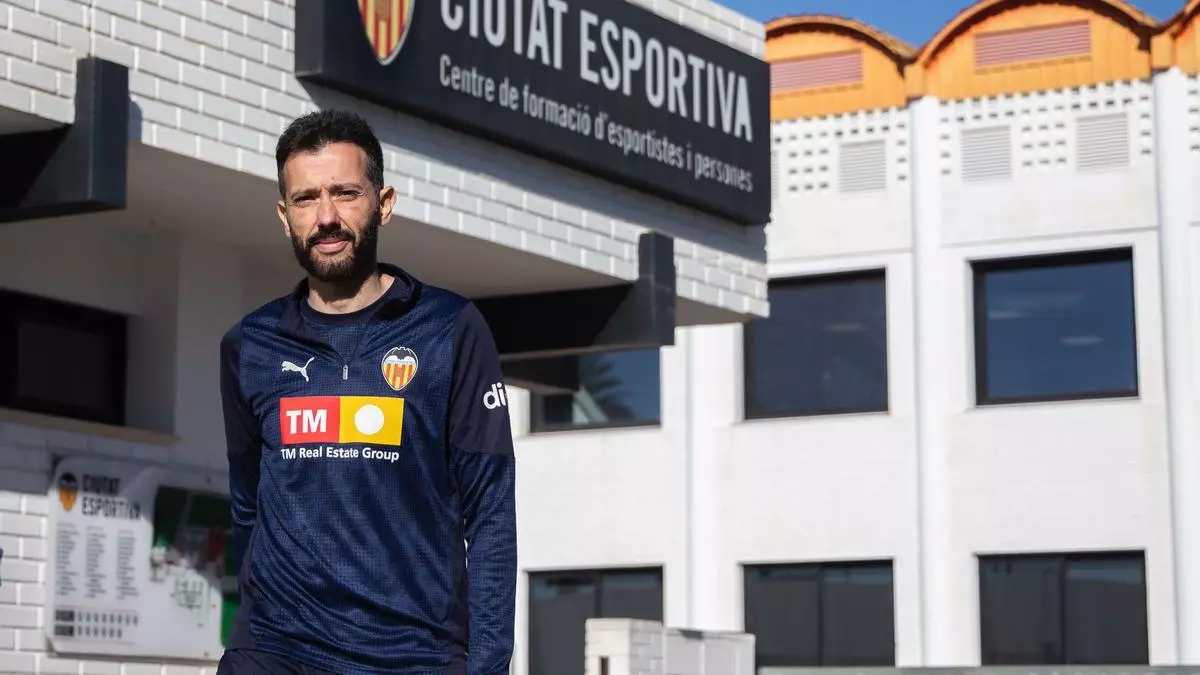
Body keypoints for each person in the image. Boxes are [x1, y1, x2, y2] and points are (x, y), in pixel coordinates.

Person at [217, 109, 517, 675]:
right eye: (306, 199)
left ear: (384, 203)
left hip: (410, 655)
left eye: (345, 193)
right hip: (277, 649)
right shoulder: (249, 344)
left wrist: (487, 666)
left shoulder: (450, 329)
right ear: (284, 216)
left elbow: (491, 514)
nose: (326, 217)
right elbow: (247, 504)